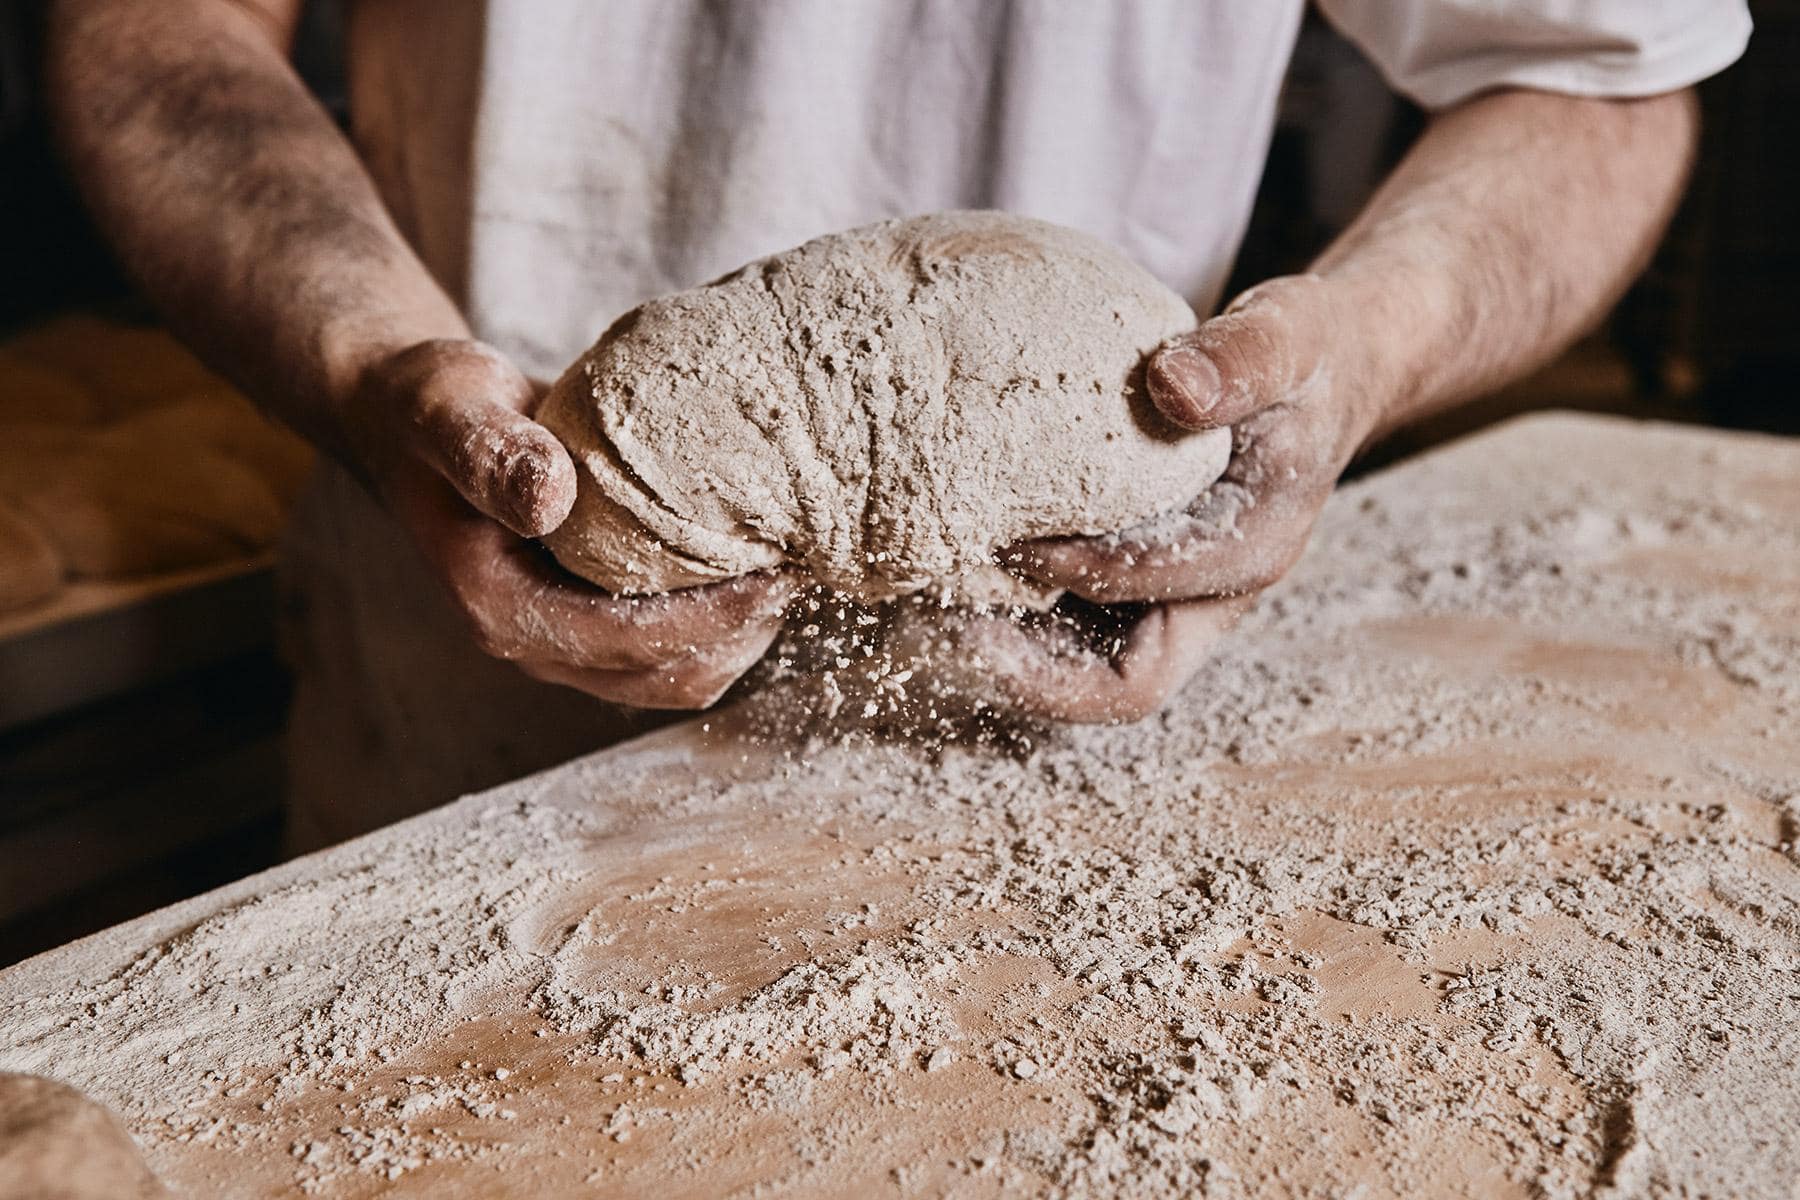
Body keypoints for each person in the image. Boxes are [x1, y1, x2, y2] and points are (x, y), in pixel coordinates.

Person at [44, 1, 1748, 847]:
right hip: (463, 671)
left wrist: (1359, 349)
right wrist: (366, 366)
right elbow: (157, 23)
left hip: (1084, 695)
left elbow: (1597, 69)